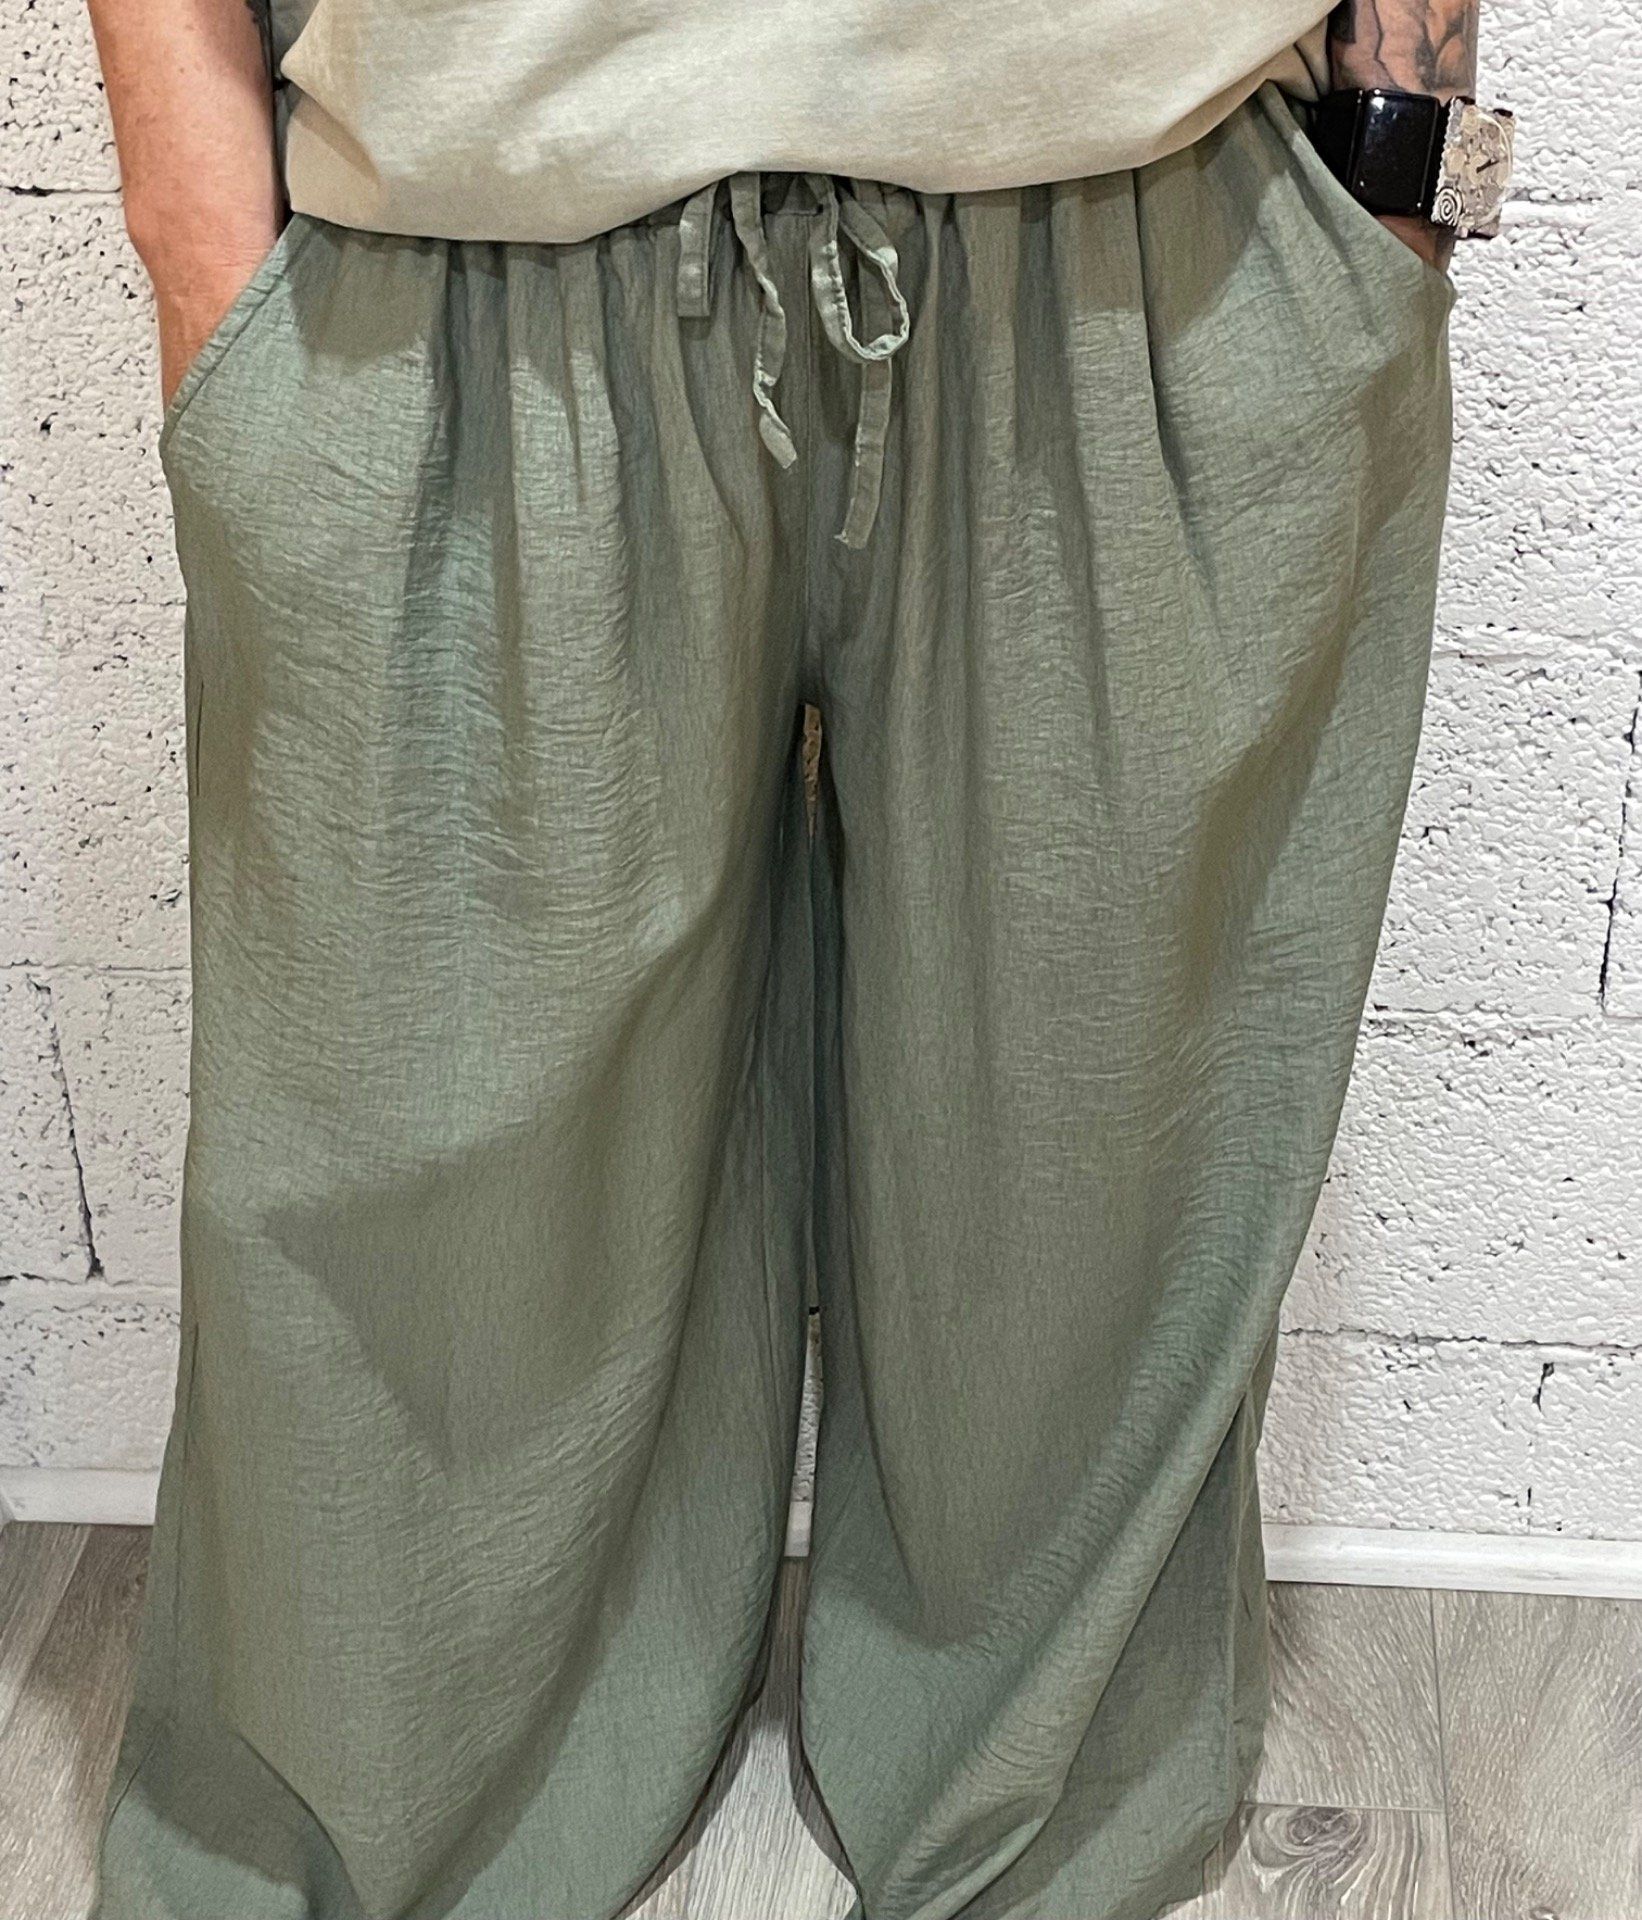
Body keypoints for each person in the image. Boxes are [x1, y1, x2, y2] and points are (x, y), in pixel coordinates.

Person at [85, 2, 1510, 1916]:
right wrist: (199, 244)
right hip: (459, 249)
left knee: (1094, 1174)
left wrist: (1396, 176)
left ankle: (1034, 1817)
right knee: (410, 1217)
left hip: (1158, 228)